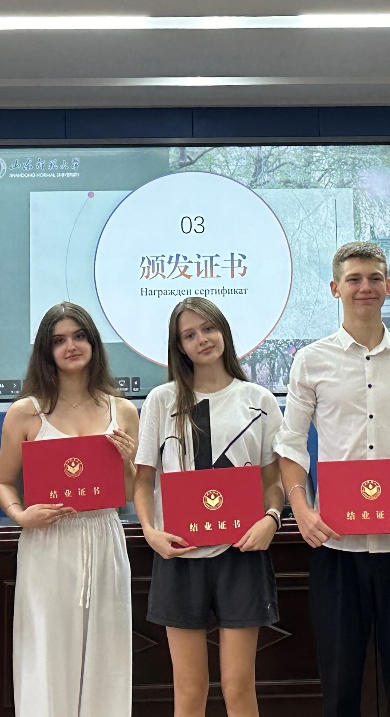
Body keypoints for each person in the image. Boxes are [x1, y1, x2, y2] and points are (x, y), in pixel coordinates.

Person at [274, 241, 390, 717]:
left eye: (374, 278)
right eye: (353, 279)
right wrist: (301, 509)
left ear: (389, 286)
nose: (365, 287)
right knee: (339, 693)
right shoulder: (311, 360)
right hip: (336, 547)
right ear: (335, 288)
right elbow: (290, 444)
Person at [134, 297, 285, 717]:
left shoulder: (259, 400)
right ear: (179, 347)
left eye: (208, 328)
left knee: (239, 689)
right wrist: (150, 531)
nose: (202, 339)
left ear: (223, 331)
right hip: (179, 555)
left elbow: (273, 482)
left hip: (242, 554)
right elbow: (143, 481)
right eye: (189, 334)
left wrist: (271, 519)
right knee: (189, 691)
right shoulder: (162, 401)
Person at [0, 302, 140, 717]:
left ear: (93, 342)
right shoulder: (25, 411)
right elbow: (3, 482)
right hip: (47, 540)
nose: (70, 346)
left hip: (104, 536)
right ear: (46, 350)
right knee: (46, 652)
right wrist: (21, 515)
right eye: (58, 340)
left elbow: (132, 492)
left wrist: (128, 461)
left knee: (107, 653)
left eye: (79, 336)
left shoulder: (122, 410)